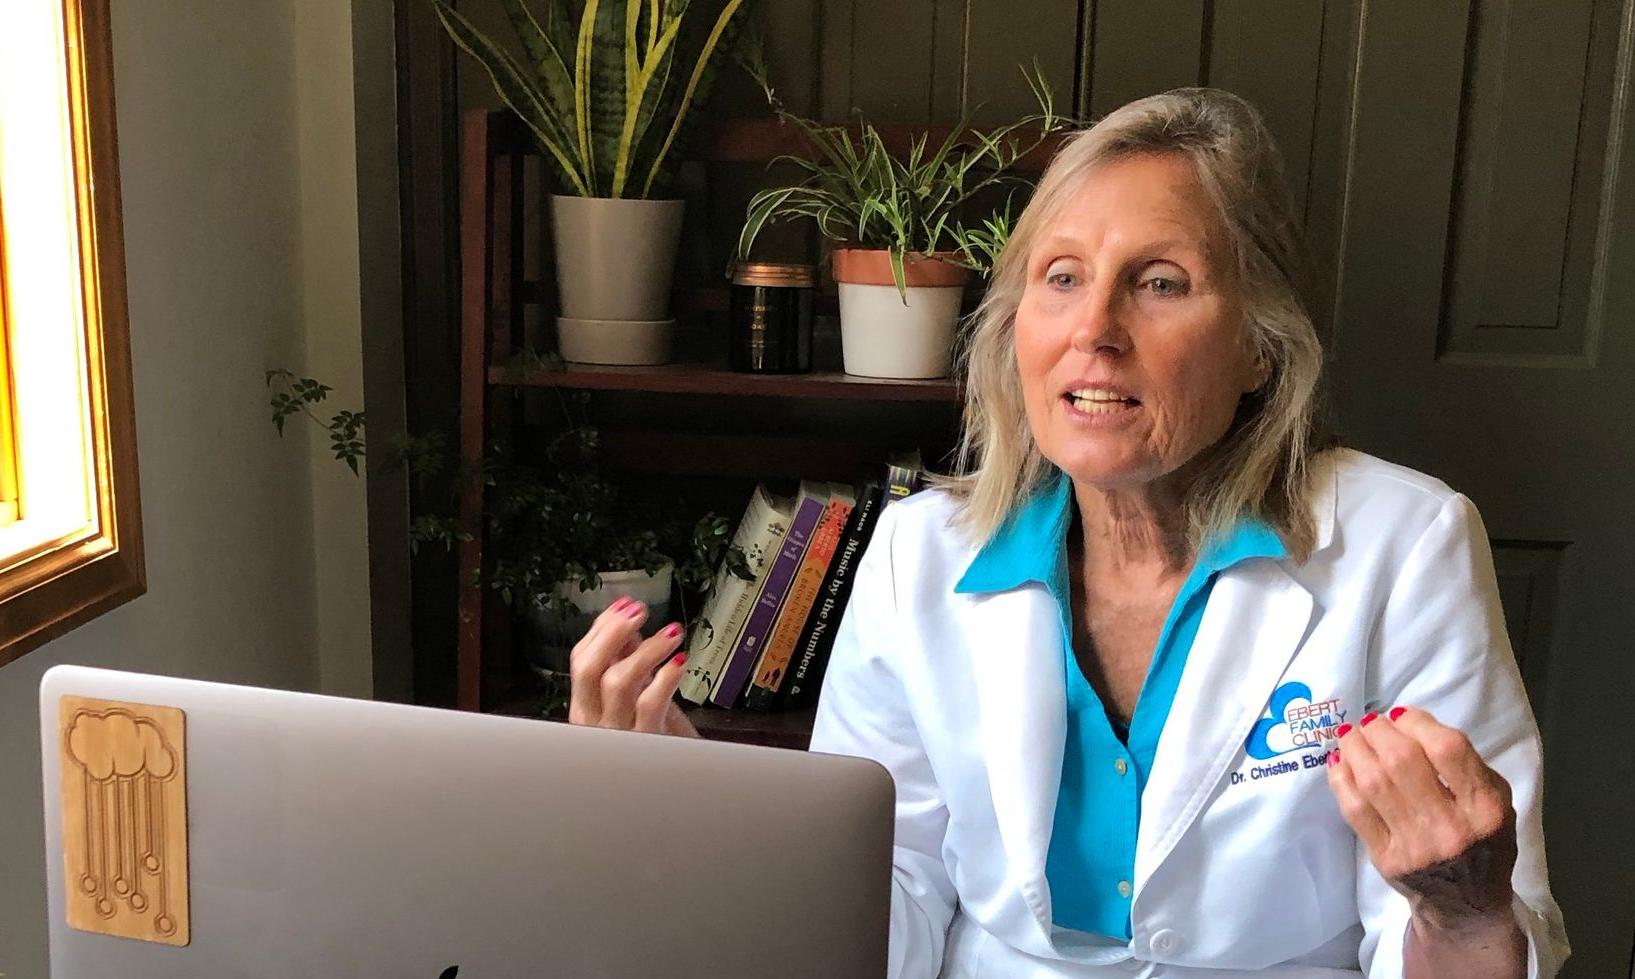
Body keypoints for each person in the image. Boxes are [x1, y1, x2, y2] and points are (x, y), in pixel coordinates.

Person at [566, 88, 1570, 979]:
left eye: (1160, 282)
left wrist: (1464, 908)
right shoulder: (918, 554)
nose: (1094, 329)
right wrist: (700, 817)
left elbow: (1470, 946)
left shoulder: (1406, 544)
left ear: (1259, 348)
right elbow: (880, 922)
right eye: (1060, 277)